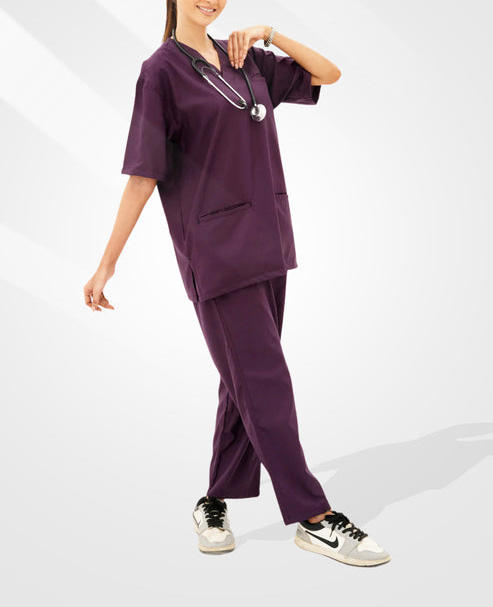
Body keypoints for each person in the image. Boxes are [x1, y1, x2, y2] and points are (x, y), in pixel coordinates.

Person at [83, 0, 391, 567]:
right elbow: (144, 174)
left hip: (268, 242)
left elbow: (328, 74)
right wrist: (108, 263)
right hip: (218, 254)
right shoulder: (160, 73)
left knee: (243, 380)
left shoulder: (243, 56)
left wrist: (272, 33)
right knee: (265, 382)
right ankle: (313, 517)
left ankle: (215, 499)